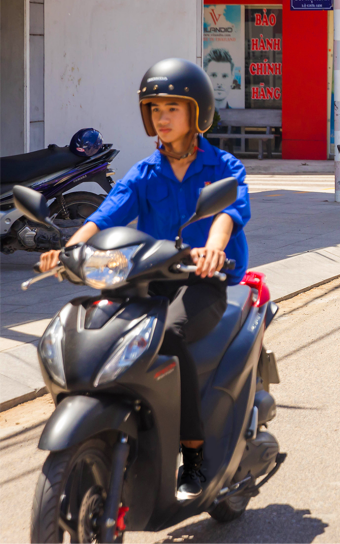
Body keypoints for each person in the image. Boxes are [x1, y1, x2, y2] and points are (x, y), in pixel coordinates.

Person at [38, 58, 250, 500]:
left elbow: (227, 214)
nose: (162, 117)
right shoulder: (145, 172)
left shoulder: (223, 165)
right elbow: (104, 216)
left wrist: (213, 249)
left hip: (201, 282)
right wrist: (68, 251)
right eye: (155, 109)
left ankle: (193, 455)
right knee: (97, 329)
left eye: (172, 108)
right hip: (148, 282)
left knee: (167, 336)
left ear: (197, 112)